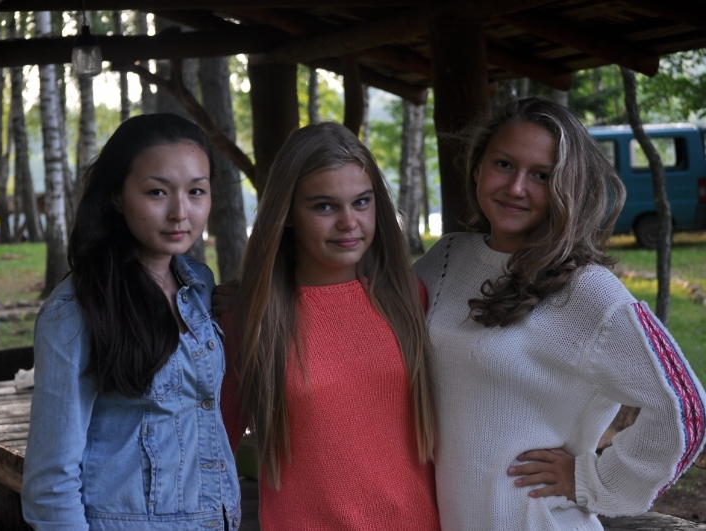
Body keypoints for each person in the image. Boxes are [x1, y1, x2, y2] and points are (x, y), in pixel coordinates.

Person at [413, 97, 706, 530]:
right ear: (477, 168)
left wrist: (593, 480)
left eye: (542, 175)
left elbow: (686, 407)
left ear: (568, 187)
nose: (516, 187)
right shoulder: (447, 258)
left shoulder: (588, 291)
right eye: (503, 164)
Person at [21, 113, 241, 531]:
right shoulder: (78, 309)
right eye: (157, 192)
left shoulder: (198, 286)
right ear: (117, 197)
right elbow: (50, 483)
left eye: (196, 191)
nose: (180, 212)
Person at [220, 121, 441, 530]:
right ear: (287, 213)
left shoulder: (410, 299)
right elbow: (209, 450)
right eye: (324, 206)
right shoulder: (251, 317)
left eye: (361, 202)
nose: (348, 222)